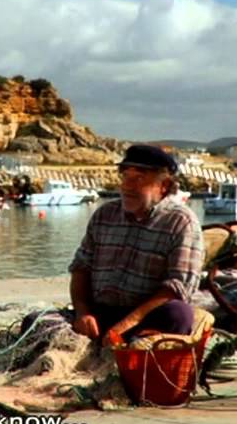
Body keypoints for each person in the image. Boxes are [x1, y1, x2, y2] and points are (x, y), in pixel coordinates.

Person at [68, 144, 204, 346]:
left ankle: (133, 346)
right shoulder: (105, 215)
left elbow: (177, 287)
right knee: (36, 322)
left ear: (163, 186)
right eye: (125, 177)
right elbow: (81, 267)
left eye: (138, 179)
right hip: (99, 313)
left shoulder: (181, 222)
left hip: (145, 316)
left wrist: (125, 325)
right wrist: (83, 313)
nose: (127, 186)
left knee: (178, 314)